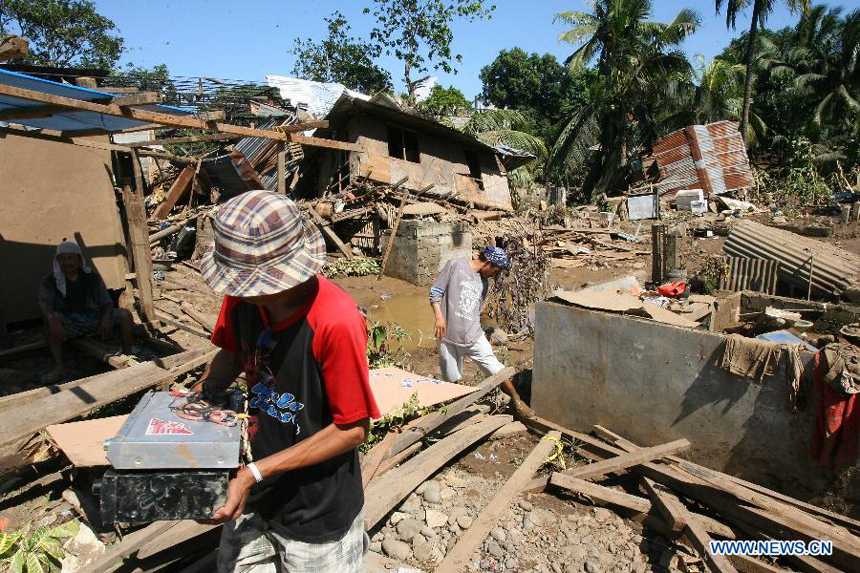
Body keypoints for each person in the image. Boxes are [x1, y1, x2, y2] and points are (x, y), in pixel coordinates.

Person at [194, 190, 380, 573]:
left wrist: (256, 473)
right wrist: (193, 407)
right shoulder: (243, 299)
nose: (240, 291)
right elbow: (230, 354)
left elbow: (352, 430)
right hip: (254, 486)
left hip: (316, 507)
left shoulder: (336, 320)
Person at [429, 246, 534, 418]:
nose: (495, 274)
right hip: (446, 336)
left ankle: (516, 400)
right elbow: (435, 292)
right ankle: (456, 411)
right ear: (488, 262)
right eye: (496, 270)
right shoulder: (456, 265)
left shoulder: (484, 283)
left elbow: (474, 310)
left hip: (473, 335)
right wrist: (439, 318)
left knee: (496, 369)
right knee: (452, 379)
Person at [38, 240, 135, 382]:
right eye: (63, 258)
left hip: (92, 318)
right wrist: (51, 318)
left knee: (124, 315)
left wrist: (105, 317)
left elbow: (106, 302)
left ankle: (128, 354)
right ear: (58, 261)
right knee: (48, 327)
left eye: (70, 258)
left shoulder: (91, 277)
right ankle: (60, 367)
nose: (67, 262)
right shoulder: (49, 281)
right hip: (68, 322)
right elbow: (44, 304)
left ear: (78, 259)